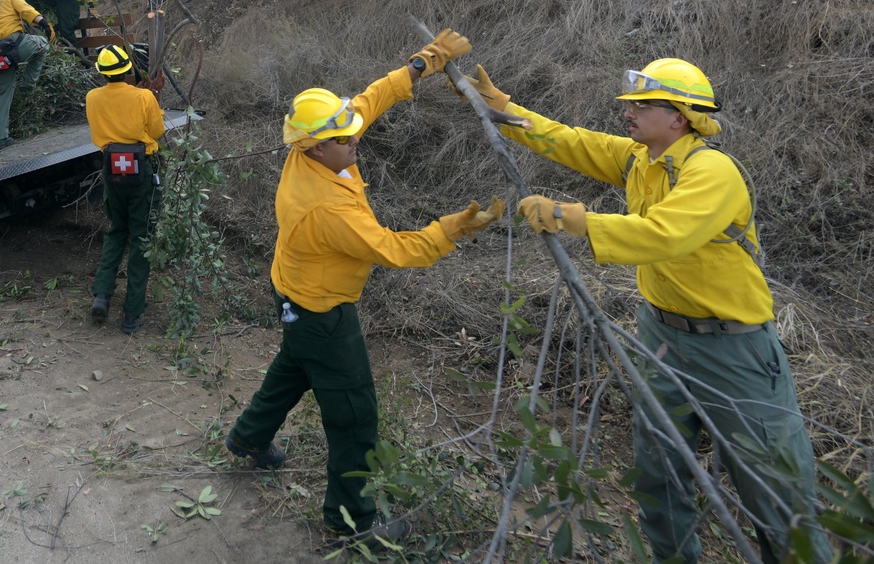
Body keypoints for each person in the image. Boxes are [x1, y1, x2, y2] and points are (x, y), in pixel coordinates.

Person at [457, 58, 831, 563]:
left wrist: (569, 216)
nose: (628, 112)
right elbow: (568, 140)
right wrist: (500, 108)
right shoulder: (640, 159)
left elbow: (666, 235)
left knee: (777, 490)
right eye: (631, 104)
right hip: (661, 337)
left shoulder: (711, 171)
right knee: (659, 476)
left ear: (680, 117)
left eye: (643, 105)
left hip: (735, 350)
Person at [224, 30, 503, 546]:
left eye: (353, 134)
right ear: (314, 146)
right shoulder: (327, 208)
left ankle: (246, 440)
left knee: (293, 368)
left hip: (293, 297)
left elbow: (367, 102)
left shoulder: (314, 144)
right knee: (354, 415)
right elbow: (397, 251)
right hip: (324, 313)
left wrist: (422, 64)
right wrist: (455, 228)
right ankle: (349, 521)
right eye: (347, 140)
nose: (358, 141)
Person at [86, 45, 164, 334]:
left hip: (112, 171)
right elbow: (157, 132)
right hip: (142, 171)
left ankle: (102, 295)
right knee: (141, 238)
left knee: (117, 230)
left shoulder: (92, 97)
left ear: (102, 74)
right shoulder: (144, 97)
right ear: (129, 68)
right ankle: (132, 314)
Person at [0, 0, 53, 150]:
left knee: (2, 92)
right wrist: (45, 24)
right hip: (14, 46)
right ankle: (27, 85)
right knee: (42, 44)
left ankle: (0, 138)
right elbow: (27, 12)